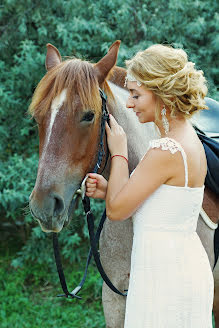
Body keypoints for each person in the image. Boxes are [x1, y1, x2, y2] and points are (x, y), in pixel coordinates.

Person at [85, 44, 214, 327]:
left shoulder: (166, 149)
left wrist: (119, 150)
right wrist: (110, 190)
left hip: (165, 279)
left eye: (136, 95)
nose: (129, 104)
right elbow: (163, 201)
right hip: (177, 268)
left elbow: (117, 210)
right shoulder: (186, 137)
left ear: (162, 94)